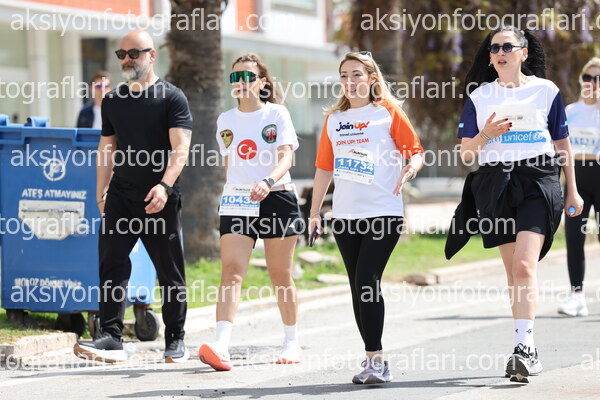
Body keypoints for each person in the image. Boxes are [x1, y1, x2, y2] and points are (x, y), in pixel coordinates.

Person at [447, 26, 584, 382]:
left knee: (524, 265)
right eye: (494, 48)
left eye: (507, 47)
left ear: (524, 52)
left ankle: (524, 349)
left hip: (538, 179)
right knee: (513, 273)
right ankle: (527, 345)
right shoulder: (480, 97)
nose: (500, 53)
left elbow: (562, 144)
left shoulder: (546, 91)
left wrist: (572, 190)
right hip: (496, 184)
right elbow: (466, 153)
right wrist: (485, 135)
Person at [73, 30, 193, 363]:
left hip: (159, 199)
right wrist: (100, 192)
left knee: (169, 271)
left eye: (134, 53)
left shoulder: (172, 98)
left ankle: (176, 339)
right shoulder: (113, 100)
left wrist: (164, 186)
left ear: (152, 55)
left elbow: (181, 149)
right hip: (121, 196)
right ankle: (111, 336)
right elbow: (106, 148)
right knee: (111, 263)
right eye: (122, 54)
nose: (127, 59)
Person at [309, 51, 424, 384]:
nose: (349, 81)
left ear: (372, 78)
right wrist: (315, 213)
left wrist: (410, 169)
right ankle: (374, 359)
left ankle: (376, 362)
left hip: (383, 211)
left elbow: (416, 152)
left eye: (356, 74)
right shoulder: (334, 120)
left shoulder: (387, 112)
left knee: (366, 281)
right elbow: (324, 168)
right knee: (357, 287)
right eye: (344, 75)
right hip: (345, 216)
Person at [198, 53, 303, 371]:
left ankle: (291, 341)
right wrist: (232, 192)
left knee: (280, 273)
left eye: (248, 76)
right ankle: (221, 345)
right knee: (231, 271)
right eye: (235, 77)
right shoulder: (225, 120)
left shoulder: (277, 113)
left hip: (276, 196)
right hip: (238, 201)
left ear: (262, 82)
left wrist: (267, 181)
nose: (241, 82)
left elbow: (286, 158)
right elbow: (230, 163)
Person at [558, 57, 600, 317]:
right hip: (577, 177)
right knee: (574, 237)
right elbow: (560, 145)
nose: (592, 83)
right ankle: (577, 296)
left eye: (598, 79)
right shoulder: (571, 110)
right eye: (588, 78)